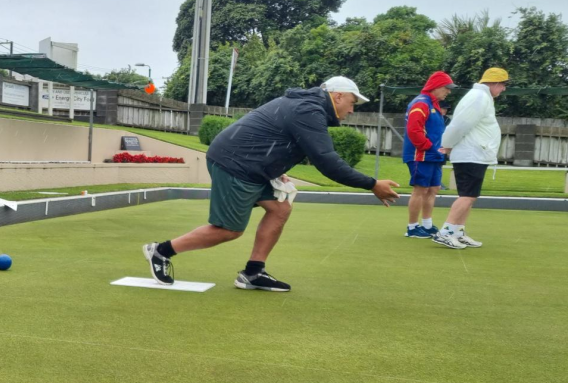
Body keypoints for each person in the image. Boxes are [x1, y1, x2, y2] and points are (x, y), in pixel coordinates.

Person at [143, 76, 401, 291]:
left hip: (251, 165)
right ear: (338, 96)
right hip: (235, 164)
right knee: (228, 230)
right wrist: (372, 184)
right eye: (352, 103)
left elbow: (275, 137)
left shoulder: (307, 106)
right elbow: (326, 161)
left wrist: (275, 169)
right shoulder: (309, 110)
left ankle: (253, 273)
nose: (352, 110)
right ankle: (161, 251)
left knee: (280, 208)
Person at [434, 67, 507, 249]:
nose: (504, 88)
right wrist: (448, 144)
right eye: (503, 84)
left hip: (476, 154)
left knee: (470, 196)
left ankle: (457, 232)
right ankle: (445, 233)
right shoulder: (479, 97)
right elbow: (460, 125)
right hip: (471, 155)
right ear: (495, 83)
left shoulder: (482, 97)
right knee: (467, 196)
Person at [402, 71, 455, 239]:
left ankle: (427, 225)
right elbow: (414, 130)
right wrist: (430, 148)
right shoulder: (421, 103)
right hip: (421, 155)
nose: (449, 91)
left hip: (433, 155)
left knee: (433, 188)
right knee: (421, 189)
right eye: (446, 88)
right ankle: (412, 227)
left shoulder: (433, 104)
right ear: (436, 86)